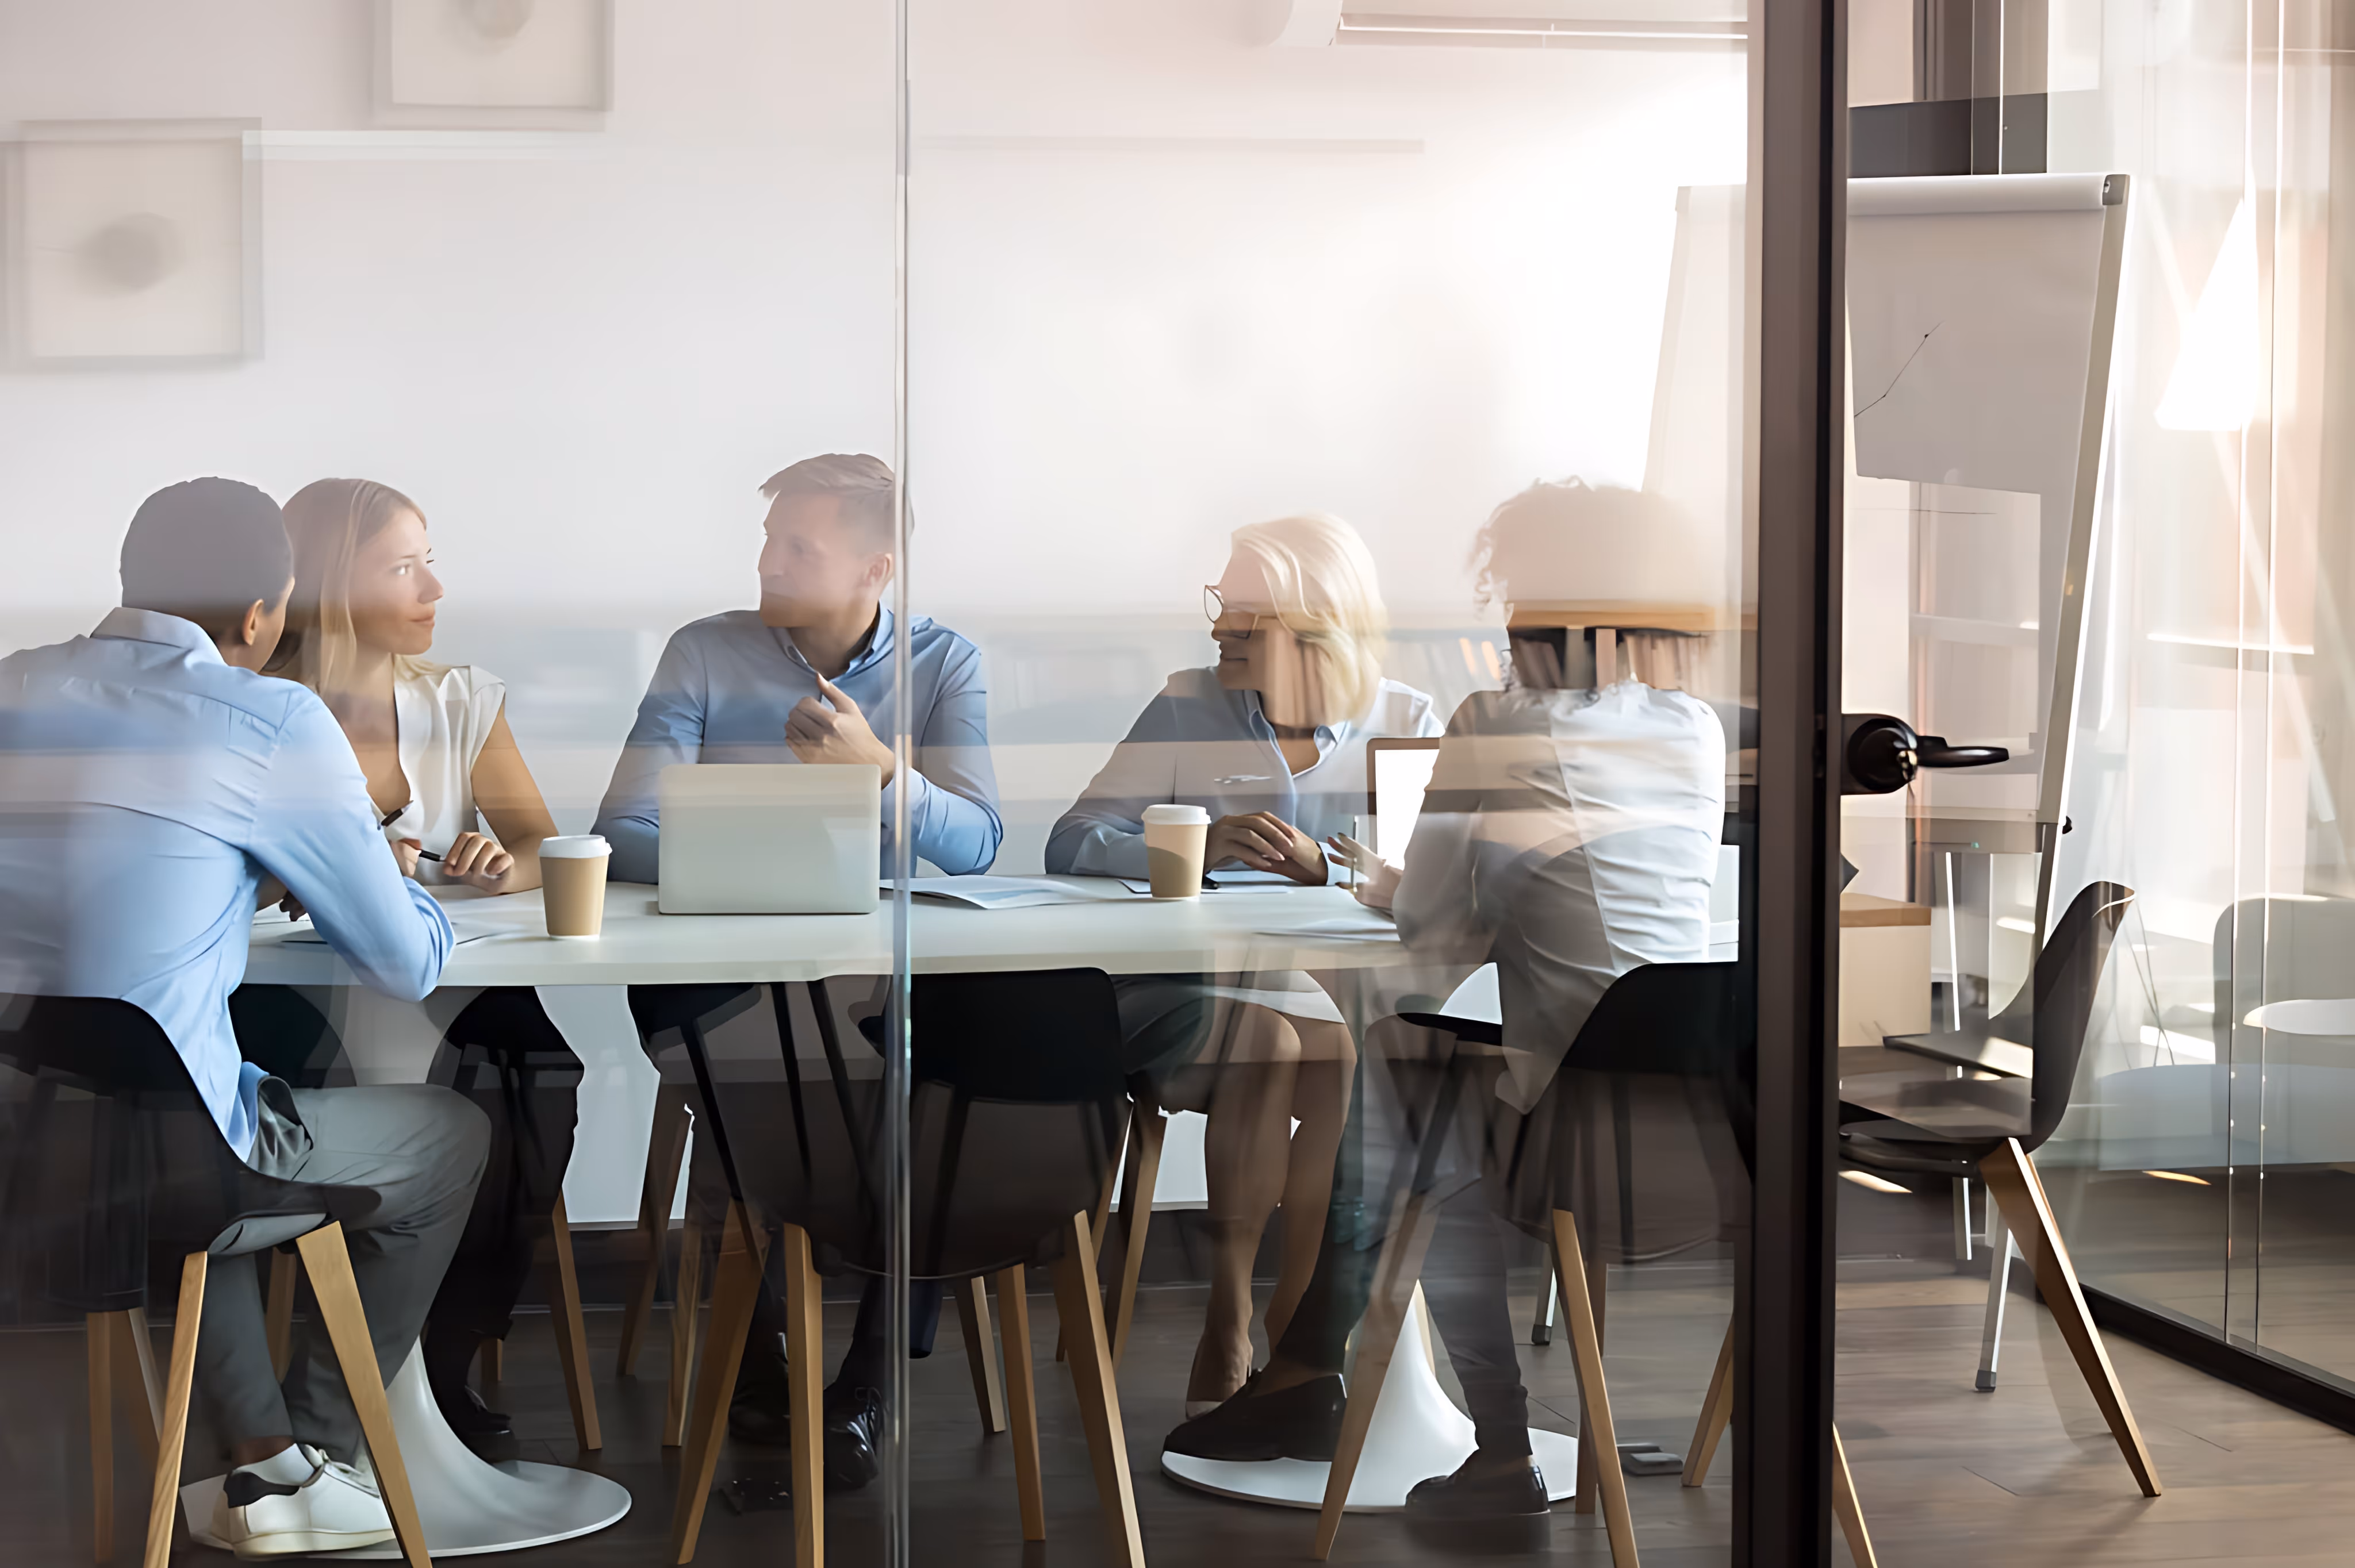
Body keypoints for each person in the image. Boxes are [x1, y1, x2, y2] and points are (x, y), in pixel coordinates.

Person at [1166, 479, 1728, 1520]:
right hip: (1702, 1125)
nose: (1505, 620)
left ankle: (1473, 1434)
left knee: (1401, 1078)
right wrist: (1406, 890)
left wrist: (1388, 888)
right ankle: (1307, 1374)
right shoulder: (1694, 731)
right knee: (1412, 1073)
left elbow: (1431, 931)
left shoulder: (1498, 721)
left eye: (1517, 594)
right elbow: (1501, 904)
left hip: (1566, 1130)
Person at [0, 478, 482, 1557]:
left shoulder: (16, 685)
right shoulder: (266, 715)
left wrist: (237, 878)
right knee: (451, 1135)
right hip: (180, 1156)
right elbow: (403, 967)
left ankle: (259, 1463)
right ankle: (318, 1458)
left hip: (32, 1131)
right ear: (263, 615)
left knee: (190, 1100)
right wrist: (394, 874)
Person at [593, 453, 1002, 1484]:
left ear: (876, 568)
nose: (769, 561)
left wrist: (876, 772)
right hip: (721, 972)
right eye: (770, 540)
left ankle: (868, 1379)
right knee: (765, 1071)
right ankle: (757, 1354)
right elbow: (622, 828)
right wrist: (784, 834)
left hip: (872, 979)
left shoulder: (947, 664)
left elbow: (979, 841)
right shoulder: (704, 652)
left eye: (798, 547)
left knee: (932, 1090)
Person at [1045, 513, 1441, 1413]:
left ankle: (1300, 1332)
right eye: (1221, 606)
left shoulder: (1408, 720)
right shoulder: (1188, 703)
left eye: (1245, 616)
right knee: (1273, 1043)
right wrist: (1191, 845)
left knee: (1333, 1050)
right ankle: (1230, 1322)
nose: (1219, 629)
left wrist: (1335, 868)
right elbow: (1071, 841)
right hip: (1190, 992)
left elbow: (1435, 887)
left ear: (1316, 625)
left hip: (1338, 999)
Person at [255, 476, 570, 1459]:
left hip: (449, 983)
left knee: (539, 1085)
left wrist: (494, 862)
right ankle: (339, 1381)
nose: (434, 587)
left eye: (430, 560)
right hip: (294, 1002)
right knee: (367, 1111)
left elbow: (539, 844)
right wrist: (315, 880)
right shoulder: (256, 711)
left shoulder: (460, 701)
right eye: (403, 566)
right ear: (328, 583)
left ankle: (440, 1362)